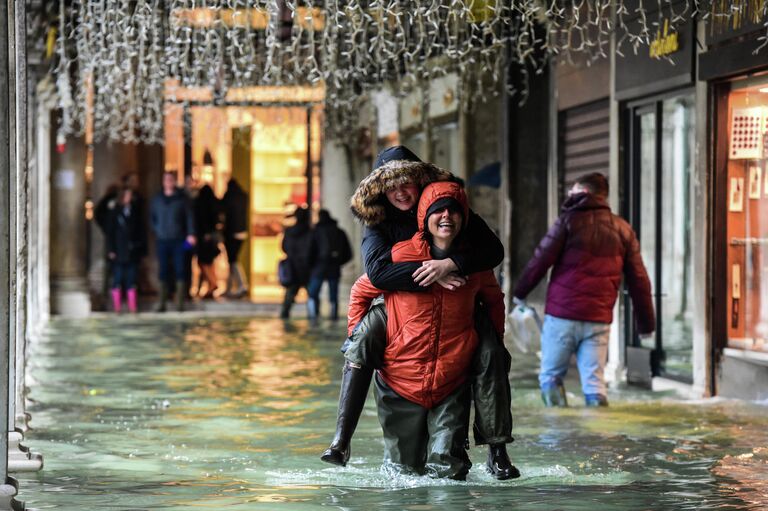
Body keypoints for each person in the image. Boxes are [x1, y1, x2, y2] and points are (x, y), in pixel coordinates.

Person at [321, 146, 518, 480]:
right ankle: (342, 440)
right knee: (364, 336)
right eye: (391, 185)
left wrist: (452, 263)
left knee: (491, 351)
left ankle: (497, 448)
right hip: (397, 305)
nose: (400, 192)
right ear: (380, 190)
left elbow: (494, 252)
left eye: (407, 182)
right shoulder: (379, 222)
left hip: (459, 311)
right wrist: (435, 274)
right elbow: (375, 278)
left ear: (421, 182)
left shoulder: (449, 209)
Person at [512, 172, 655, 407]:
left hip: (562, 317)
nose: (569, 195)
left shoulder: (567, 221)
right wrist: (646, 325)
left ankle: (556, 435)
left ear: (584, 193)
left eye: (573, 190)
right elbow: (639, 279)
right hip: (598, 320)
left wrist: (519, 293)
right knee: (595, 383)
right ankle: (596, 438)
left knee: (550, 376)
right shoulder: (623, 229)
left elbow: (540, 260)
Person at [150, 171, 196, 312]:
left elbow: (189, 217)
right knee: (163, 269)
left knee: (180, 267)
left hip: (179, 239)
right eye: (166, 179)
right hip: (162, 239)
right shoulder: (157, 199)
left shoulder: (182, 199)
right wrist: (158, 230)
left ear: (174, 181)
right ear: (163, 182)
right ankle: (162, 301)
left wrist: (191, 234)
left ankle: (180, 302)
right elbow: (152, 218)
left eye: (171, 179)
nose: (168, 182)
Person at [307, 209, 352, 324]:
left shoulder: (316, 232)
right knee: (334, 294)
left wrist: (311, 265)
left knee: (313, 293)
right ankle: (334, 317)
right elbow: (348, 252)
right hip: (334, 267)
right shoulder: (339, 231)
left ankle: (314, 316)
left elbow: (310, 251)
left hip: (319, 267)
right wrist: (338, 261)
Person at [106, 187, 147, 313]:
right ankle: (117, 307)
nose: (130, 197)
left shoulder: (135, 211)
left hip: (132, 251)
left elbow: (141, 231)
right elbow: (110, 233)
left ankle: (132, 307)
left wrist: (142, 249)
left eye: (131, 195)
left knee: (131, 279)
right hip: (118, 251)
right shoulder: (115, 212)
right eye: (127, 195)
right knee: (117, 279)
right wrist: (111, 250)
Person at [280, 205, 314, 319]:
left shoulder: (289, 231)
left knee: (289, 296)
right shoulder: (311, 232)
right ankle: (313, 317)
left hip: (292, 267)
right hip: (307, 268)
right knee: (312, 297)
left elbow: (283, 247)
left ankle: (284, 316)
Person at [193, 184, 222, 299]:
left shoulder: (201, 204)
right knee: (208, 262)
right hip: (211, 238)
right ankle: (209, 286)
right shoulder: (215, 203)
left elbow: (201, 220)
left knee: (203, 262)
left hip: (203, 238)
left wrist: (205, 233)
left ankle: (213, 283)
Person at [222, 178, 249, 298]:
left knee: (232, 260)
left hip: (232, 233)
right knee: (232, 260)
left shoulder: (229, 197)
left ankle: (241, 285)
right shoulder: (243, 196)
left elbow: (224, 211)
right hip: (242, 231)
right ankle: (230, 287)